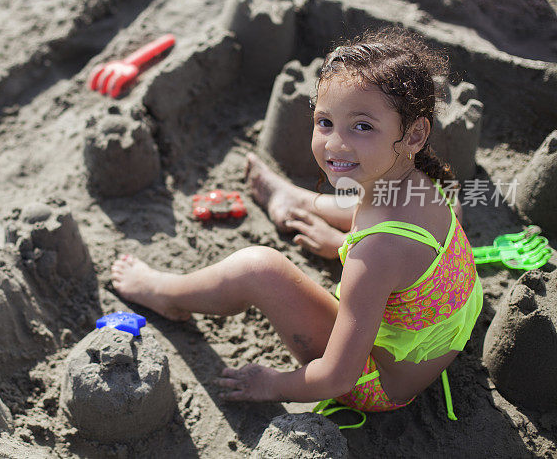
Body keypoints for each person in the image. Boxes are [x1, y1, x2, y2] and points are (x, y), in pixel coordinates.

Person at [111, 27, 482, 415]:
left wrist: (272, 383)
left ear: (415, 134)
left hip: (377, 383)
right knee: (374, 188)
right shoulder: (427, 182)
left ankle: (168, 294)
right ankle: (299, 199)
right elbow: (388, 223)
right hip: (432, 339)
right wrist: (341, 244)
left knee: (258, 268)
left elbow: (338, 377)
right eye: (325, 122)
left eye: (362, 126)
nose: (335, 143)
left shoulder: (376, 254)